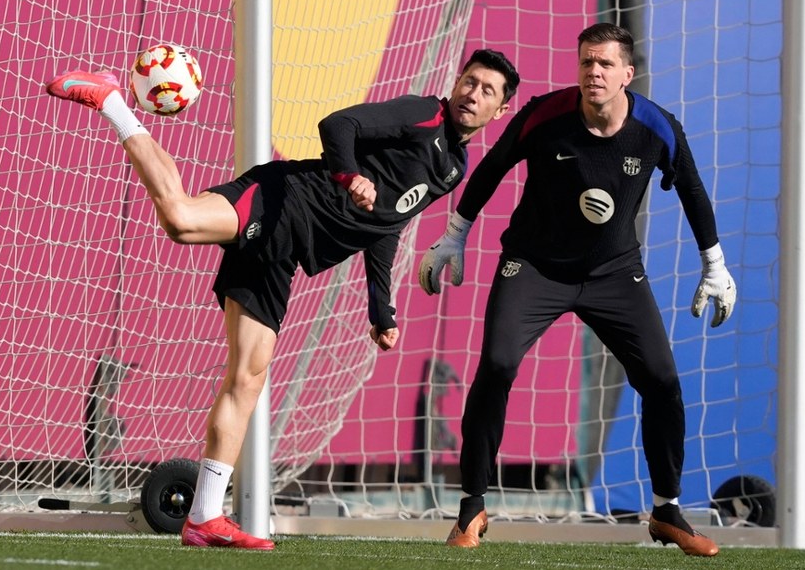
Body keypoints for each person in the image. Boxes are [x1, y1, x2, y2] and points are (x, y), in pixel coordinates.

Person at [45, 48, 519, 550]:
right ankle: (113, 100)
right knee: (181, 220)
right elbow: (338, 125)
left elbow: (387, 224)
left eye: (487, 90)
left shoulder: (453, 168)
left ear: (501, 109)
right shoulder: (423, 113)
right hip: (282, 200)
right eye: (470, 81)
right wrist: (347, 175)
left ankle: (205, 517)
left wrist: (381, 309)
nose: (473, 93)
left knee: (247, 377)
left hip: (286, 252)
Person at [418, 23, 735, 557]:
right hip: (534, 265)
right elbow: (492, 169)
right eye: (587, 62)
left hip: (614, 273)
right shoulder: (545, 114)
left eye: (606, 64)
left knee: (662, 380)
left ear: (627, 75)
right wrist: (455, 235)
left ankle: (667, 511)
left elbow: (693, 190)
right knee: (496, 364)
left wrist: (715, 264)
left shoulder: (657, 127)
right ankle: (472, 507)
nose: (594, 72)